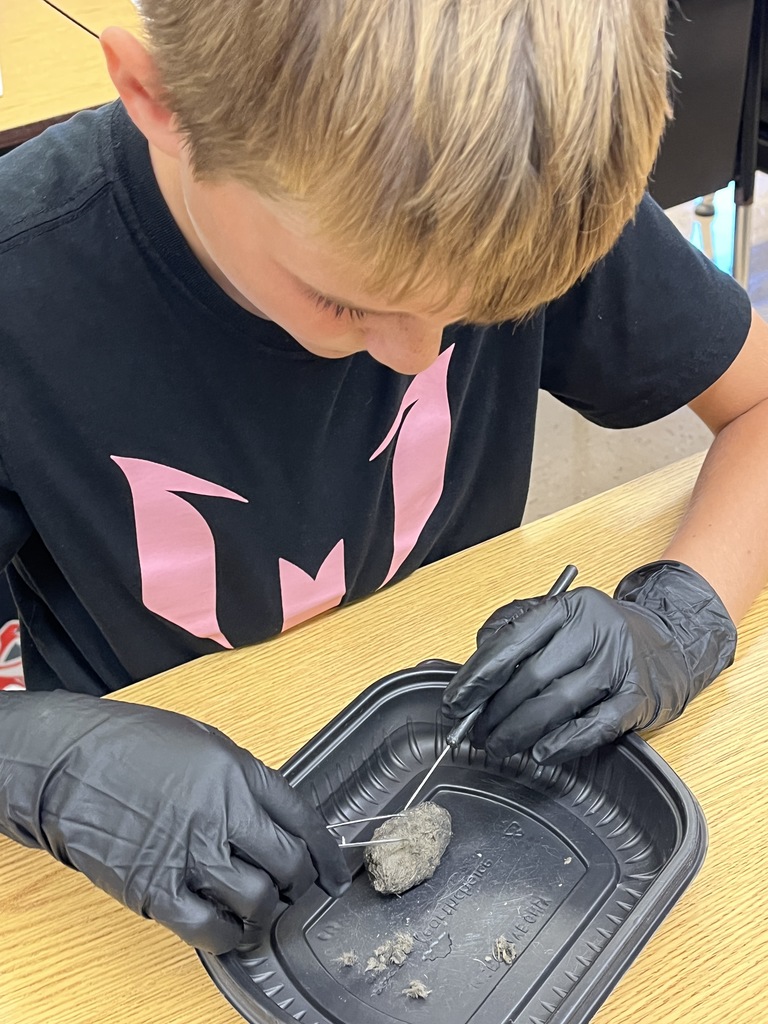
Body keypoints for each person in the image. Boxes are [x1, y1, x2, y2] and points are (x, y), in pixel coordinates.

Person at [0, 0, 765, 955]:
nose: (416, 357)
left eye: (481, 309)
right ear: (158, 100)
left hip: (458, 753)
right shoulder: (24, 284)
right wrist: (44, 767)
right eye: (349, 302)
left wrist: (680, 618)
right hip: (132, 873)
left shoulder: (513, 185)